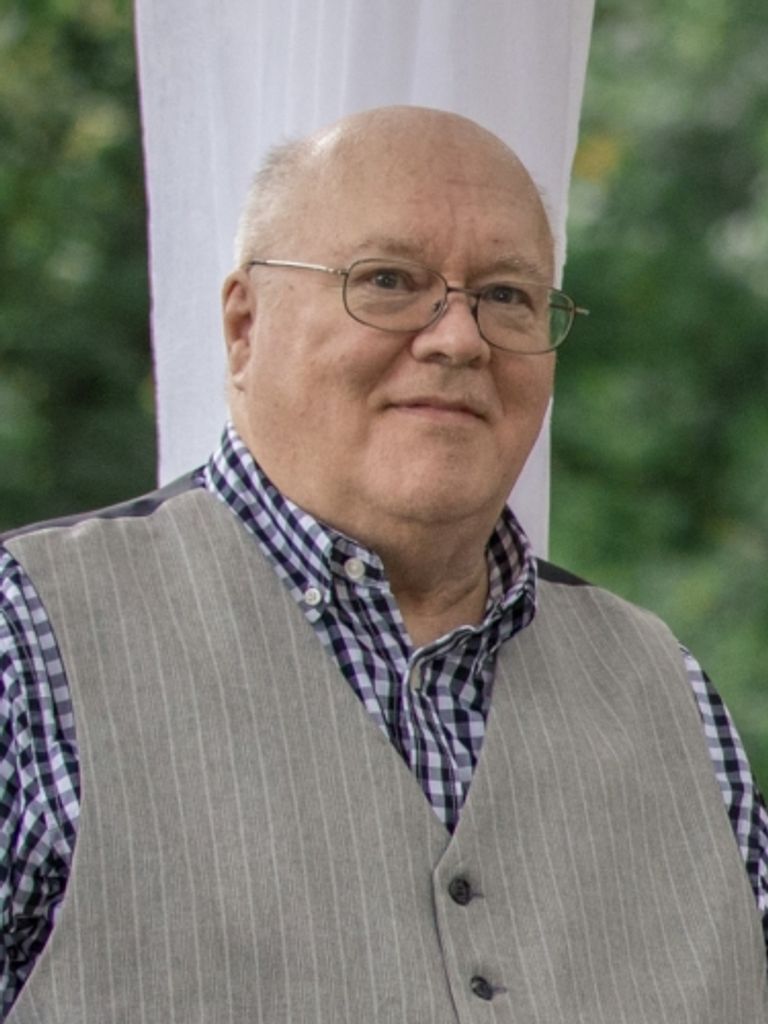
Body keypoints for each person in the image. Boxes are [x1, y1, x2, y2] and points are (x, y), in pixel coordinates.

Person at [1, 105, 766, 1023]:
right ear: (245, 327)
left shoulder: (668, 693)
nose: (459, 338)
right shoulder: (29, 640)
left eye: (507, 296)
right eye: (389, 281)